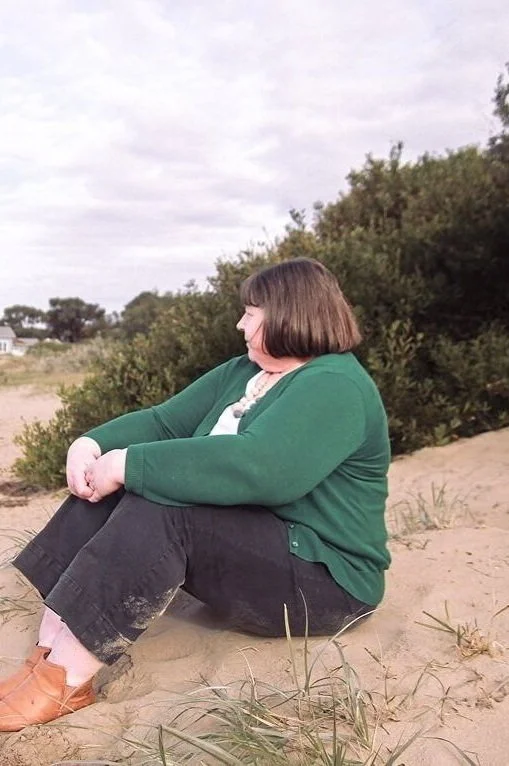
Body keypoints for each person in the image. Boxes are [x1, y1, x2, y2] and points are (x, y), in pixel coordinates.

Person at [0, 257, 391, 732]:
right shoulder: (244, 372)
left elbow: (264, 469)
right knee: (105, 489)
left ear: (290, 314)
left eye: (252, 312)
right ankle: (47, 654)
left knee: (160, 501)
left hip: (327, 579)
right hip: (263, 551)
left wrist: (129, 465)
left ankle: (66, 678)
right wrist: (94, 444)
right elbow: (166, 422)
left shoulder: (335, 384)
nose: (240, 323)